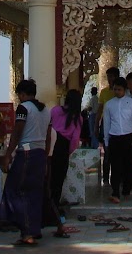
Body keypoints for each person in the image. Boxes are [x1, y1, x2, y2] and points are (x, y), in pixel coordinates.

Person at [0, 78, 50, 246]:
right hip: (40, 154)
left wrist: (8, 154)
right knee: (34, 193)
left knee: (16, 190)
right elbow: (48, 135)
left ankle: (26, 232)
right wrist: (46, 155)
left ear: (22, 94)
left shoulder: (23, 108)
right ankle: (34, 229)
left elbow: (17, 132)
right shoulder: (46, 110)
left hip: (26, 153)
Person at [101, 77, 132, 204]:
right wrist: (106, 141)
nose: (117, 92)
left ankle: (126, 189)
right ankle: (115, 192)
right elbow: (106, 123)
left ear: (125, 89)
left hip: (128, 137)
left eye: (119, 89)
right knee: (115, 165)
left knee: (128, 164)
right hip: (115, 137)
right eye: (115, 89)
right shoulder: (109, 104)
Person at [48, 89, 83, 229]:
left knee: (48, 179)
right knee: (58, 181)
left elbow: (48, 128)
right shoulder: (77, 117)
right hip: (63, 148)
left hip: (51, 145)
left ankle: (46, 209)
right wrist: (67, 152)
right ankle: (54, 209)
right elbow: (75, 140)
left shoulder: (55, 110)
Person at [96, 67, 120, 184]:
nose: (110, 79)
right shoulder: (104, 92)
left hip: (119, 125)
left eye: (112, 76)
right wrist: (96, 125)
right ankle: (106, 179)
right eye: (108, 77)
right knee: (107, 154)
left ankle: (118, 178)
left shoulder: (121, 93)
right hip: (106, 125)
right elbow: (100, 109)